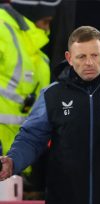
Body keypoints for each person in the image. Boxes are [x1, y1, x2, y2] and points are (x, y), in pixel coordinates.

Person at [0, 26, 100, 204]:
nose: (88, 62)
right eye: (81, 56)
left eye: (94, 55)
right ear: (69, 58)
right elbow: (31, 137)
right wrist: (13, 162)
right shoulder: (52, 95)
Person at [0, 0, 60, 165]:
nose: (47, 29)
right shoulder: (2, 31)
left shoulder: (37, 52)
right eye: (45, 21)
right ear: (30, 15)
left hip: (17, 158)